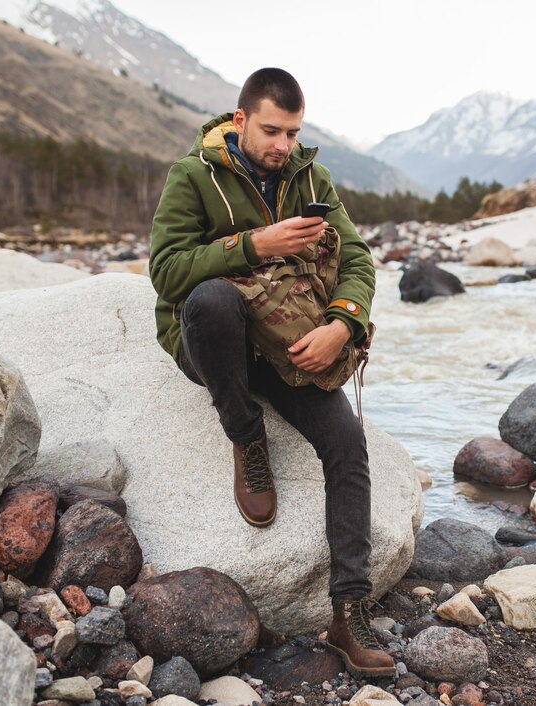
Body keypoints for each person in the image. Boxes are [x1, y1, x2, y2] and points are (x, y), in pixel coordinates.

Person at [148, 68, 394, 677]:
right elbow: (168, 271)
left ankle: (348, 612)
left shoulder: (312, 177)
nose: (283, 145)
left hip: (289, 343)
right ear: (239, 121)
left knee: (346, 444)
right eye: (271, 130)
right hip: (214, 342)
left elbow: (358, 257)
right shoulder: (193, 175)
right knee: (209, 299)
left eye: (293, 132)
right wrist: (258, 245)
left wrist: (342, 323)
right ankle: (245, 433)